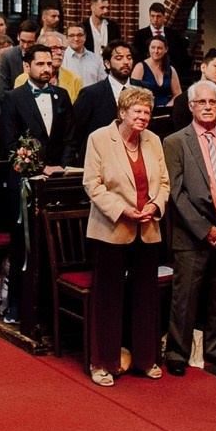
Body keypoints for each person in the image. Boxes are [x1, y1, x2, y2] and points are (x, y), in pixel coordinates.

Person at [81, 87, 169, 386]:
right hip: (112, 229)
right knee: (108, 298)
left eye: (147, 112)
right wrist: (122, 211)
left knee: (146, 295)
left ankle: (146, 359)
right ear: (122, 113)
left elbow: (165, 182)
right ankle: (102, 363)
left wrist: (156, 206)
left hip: (148, 228)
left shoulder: (154, 141)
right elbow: (92, 184)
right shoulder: (99, 139)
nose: (144, 117)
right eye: (138, 112)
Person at [163, 80, 216, 374]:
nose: (208, 107)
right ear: (191, 107)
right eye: (202, 102)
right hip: (191, 234)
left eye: (213, 102)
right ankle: (177, 353)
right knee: (185, 298)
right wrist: (205, 229)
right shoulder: (175, 141)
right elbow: (175, 193)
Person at [2, 42, 75, 168]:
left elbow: (70, 138)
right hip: (27, 174)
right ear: (26, 67)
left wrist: (63, 167)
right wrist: (39, 168)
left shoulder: (62, 95)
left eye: (49, 64)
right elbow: (11, 143)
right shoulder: (13, 98)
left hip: (59, 172)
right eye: (40, 64)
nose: (46, 69)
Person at [67, 41, 135, 162]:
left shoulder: (143, 89)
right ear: (107, 63)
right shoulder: (91, 94)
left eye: (129, 58)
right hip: (101, 159)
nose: (126, 62)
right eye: (119, 58)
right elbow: (76, 132)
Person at [131, 1, 189, 72]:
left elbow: (179, 56)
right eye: (152, 16)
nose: (155, 20)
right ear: (149, 16)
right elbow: (137, 57)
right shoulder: (140, 35)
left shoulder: (173, 35)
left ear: (164, 16)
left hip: (169, 71)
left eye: (158, 16)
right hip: (147, 71)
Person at [131, 34, 183, 108]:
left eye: (160, 48)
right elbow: (133, 94)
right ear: (149, 48)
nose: (156, 51)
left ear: (166, 49)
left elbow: (178, 94)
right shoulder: (140, 67)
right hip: (145, 109)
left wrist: (167, 107)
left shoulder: (171, 69)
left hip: (166, 109)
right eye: (153, 47)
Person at [0, 19, 36, 101]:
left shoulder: (41, 56)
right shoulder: (7, 57)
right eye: (23, 41)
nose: (25, 46)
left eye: (30, 42)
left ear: (36, 40)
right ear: (18, 36)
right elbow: (3, 92)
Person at [59, 23, 100, 98]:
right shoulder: (61, 59)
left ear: (85, 37)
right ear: (67, 38)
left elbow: (102, 83)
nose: (76, 39)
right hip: (70, 102)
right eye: (72, 35)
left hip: (92, 102)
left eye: (79, 35)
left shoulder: (96, 58)